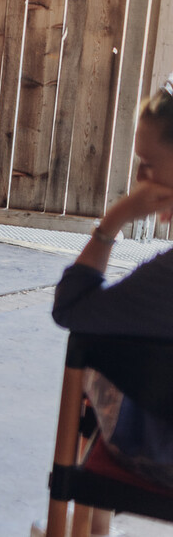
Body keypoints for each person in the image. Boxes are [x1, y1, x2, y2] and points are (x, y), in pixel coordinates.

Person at [52, 83, 173, 492]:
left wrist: (113, 221)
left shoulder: (165, 281)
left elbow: (71, 308)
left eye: (149, 164)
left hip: (159, 463)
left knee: (96, 349)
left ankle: (87, 524)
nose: (139, 177)